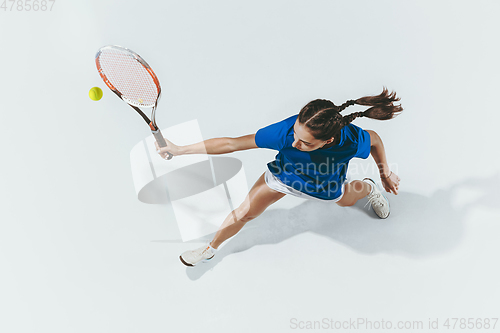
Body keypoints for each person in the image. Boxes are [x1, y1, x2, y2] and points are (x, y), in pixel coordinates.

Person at [156, 87, 402, 267]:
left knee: (347, 198)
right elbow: (232, 143)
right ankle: (210, 249)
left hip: (326, 188)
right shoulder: (284, 133)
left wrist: (384, 173)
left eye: (305, 142)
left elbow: (376, 141)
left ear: (328, 140)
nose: (294, 143)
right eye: (295, 132)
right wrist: (180, 150)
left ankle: (368, 188)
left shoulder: (351, 140)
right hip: (283, 177)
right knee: (244, 213)